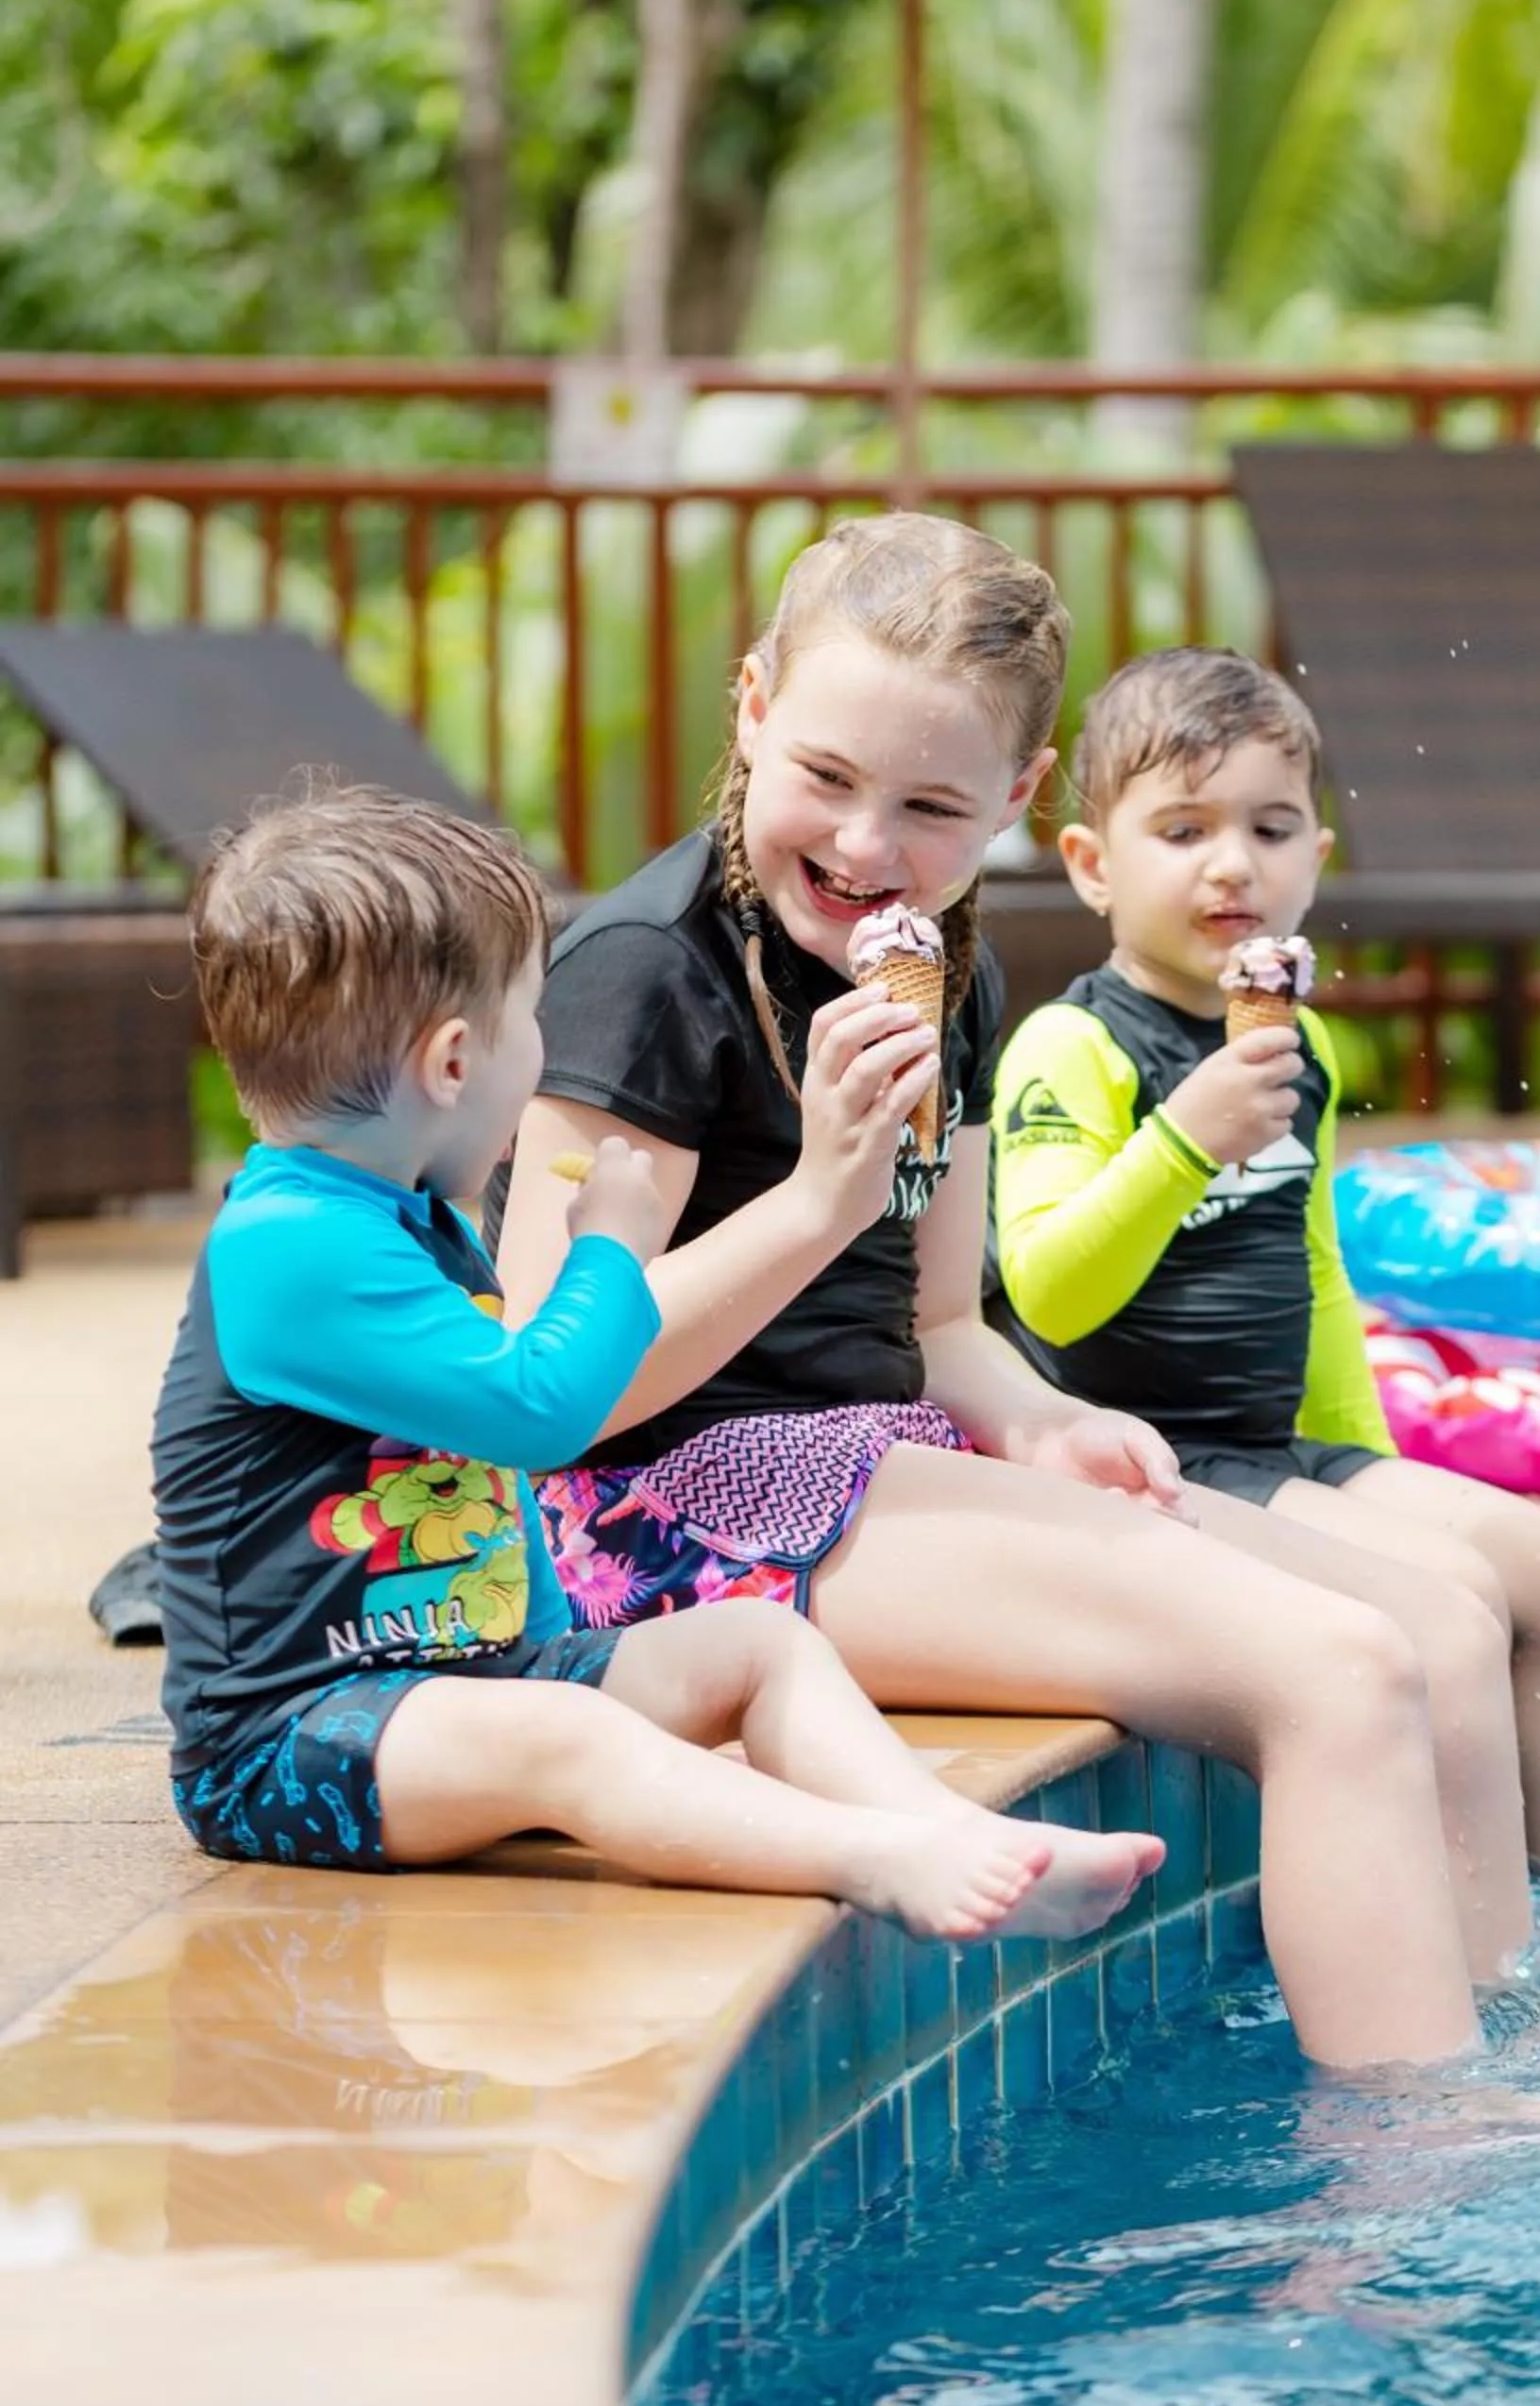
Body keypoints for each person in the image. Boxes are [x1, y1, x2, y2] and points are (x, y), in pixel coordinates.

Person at [495, 513, 1508, 2068]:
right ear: (753, 706)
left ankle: (1507, 2051)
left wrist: (1044, 1421)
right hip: (659, 1507)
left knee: (1435, 1625)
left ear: (1020, 804)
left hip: (874, 1463)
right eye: (826, 778)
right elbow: (545, 1400)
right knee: (1338, 1671)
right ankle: (1405, 2187)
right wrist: (824, 1199)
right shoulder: (644, 974)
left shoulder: (951, 971)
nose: (866, 847)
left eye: (931, 806)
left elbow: (945, 1326)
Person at [151, 782, 1162, 1948]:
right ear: (452, 1062)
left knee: (760, 1643)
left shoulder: (391, 1212)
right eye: (533, 1021)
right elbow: (536, 1414)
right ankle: (880, 1857)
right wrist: (615, 1251)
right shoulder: (288, 1248)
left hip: (491, 1671)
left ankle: (952, 1830)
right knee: (569, 1744)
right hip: (294, 1734)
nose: (544, 1055)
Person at [986, 646, 1540, 1885]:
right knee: (1446, 1613)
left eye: (1272, 828)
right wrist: (1184, 1138)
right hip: (1150, 1457)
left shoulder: (1299, 1042)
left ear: (1316, 858)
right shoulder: (1071, 1049)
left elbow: (1313, 1268)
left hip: (1283, 1444)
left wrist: (1367, 1464)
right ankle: (1492, 1964)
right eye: (1182, 829)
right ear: (1092, 866)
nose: (1234, 863)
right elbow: (1046, 1286)